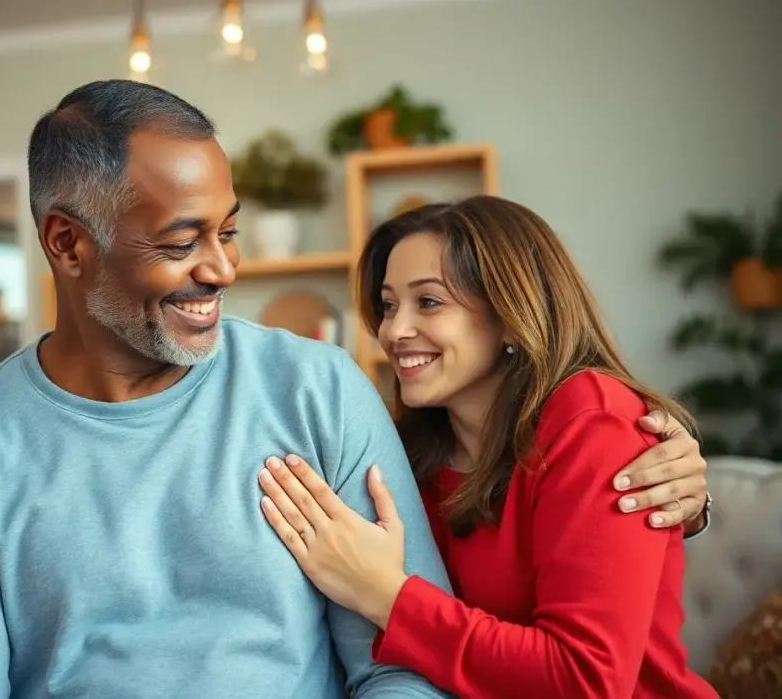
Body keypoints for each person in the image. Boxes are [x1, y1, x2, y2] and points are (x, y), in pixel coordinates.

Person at [0, 80, 707, 698]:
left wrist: (678, 484)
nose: (223, 268)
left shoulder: (321, 389)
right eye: (183, 239)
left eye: (229, 231)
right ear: (67, 244)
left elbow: (409, 670)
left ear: (514, 317)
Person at [255, 197, 718, 698]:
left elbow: (587, 682)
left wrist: (388, 597)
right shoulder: (411, 453)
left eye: (428, 302)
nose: (394, 331)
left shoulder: (594, 422)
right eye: (388, 306)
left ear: (509, 315)